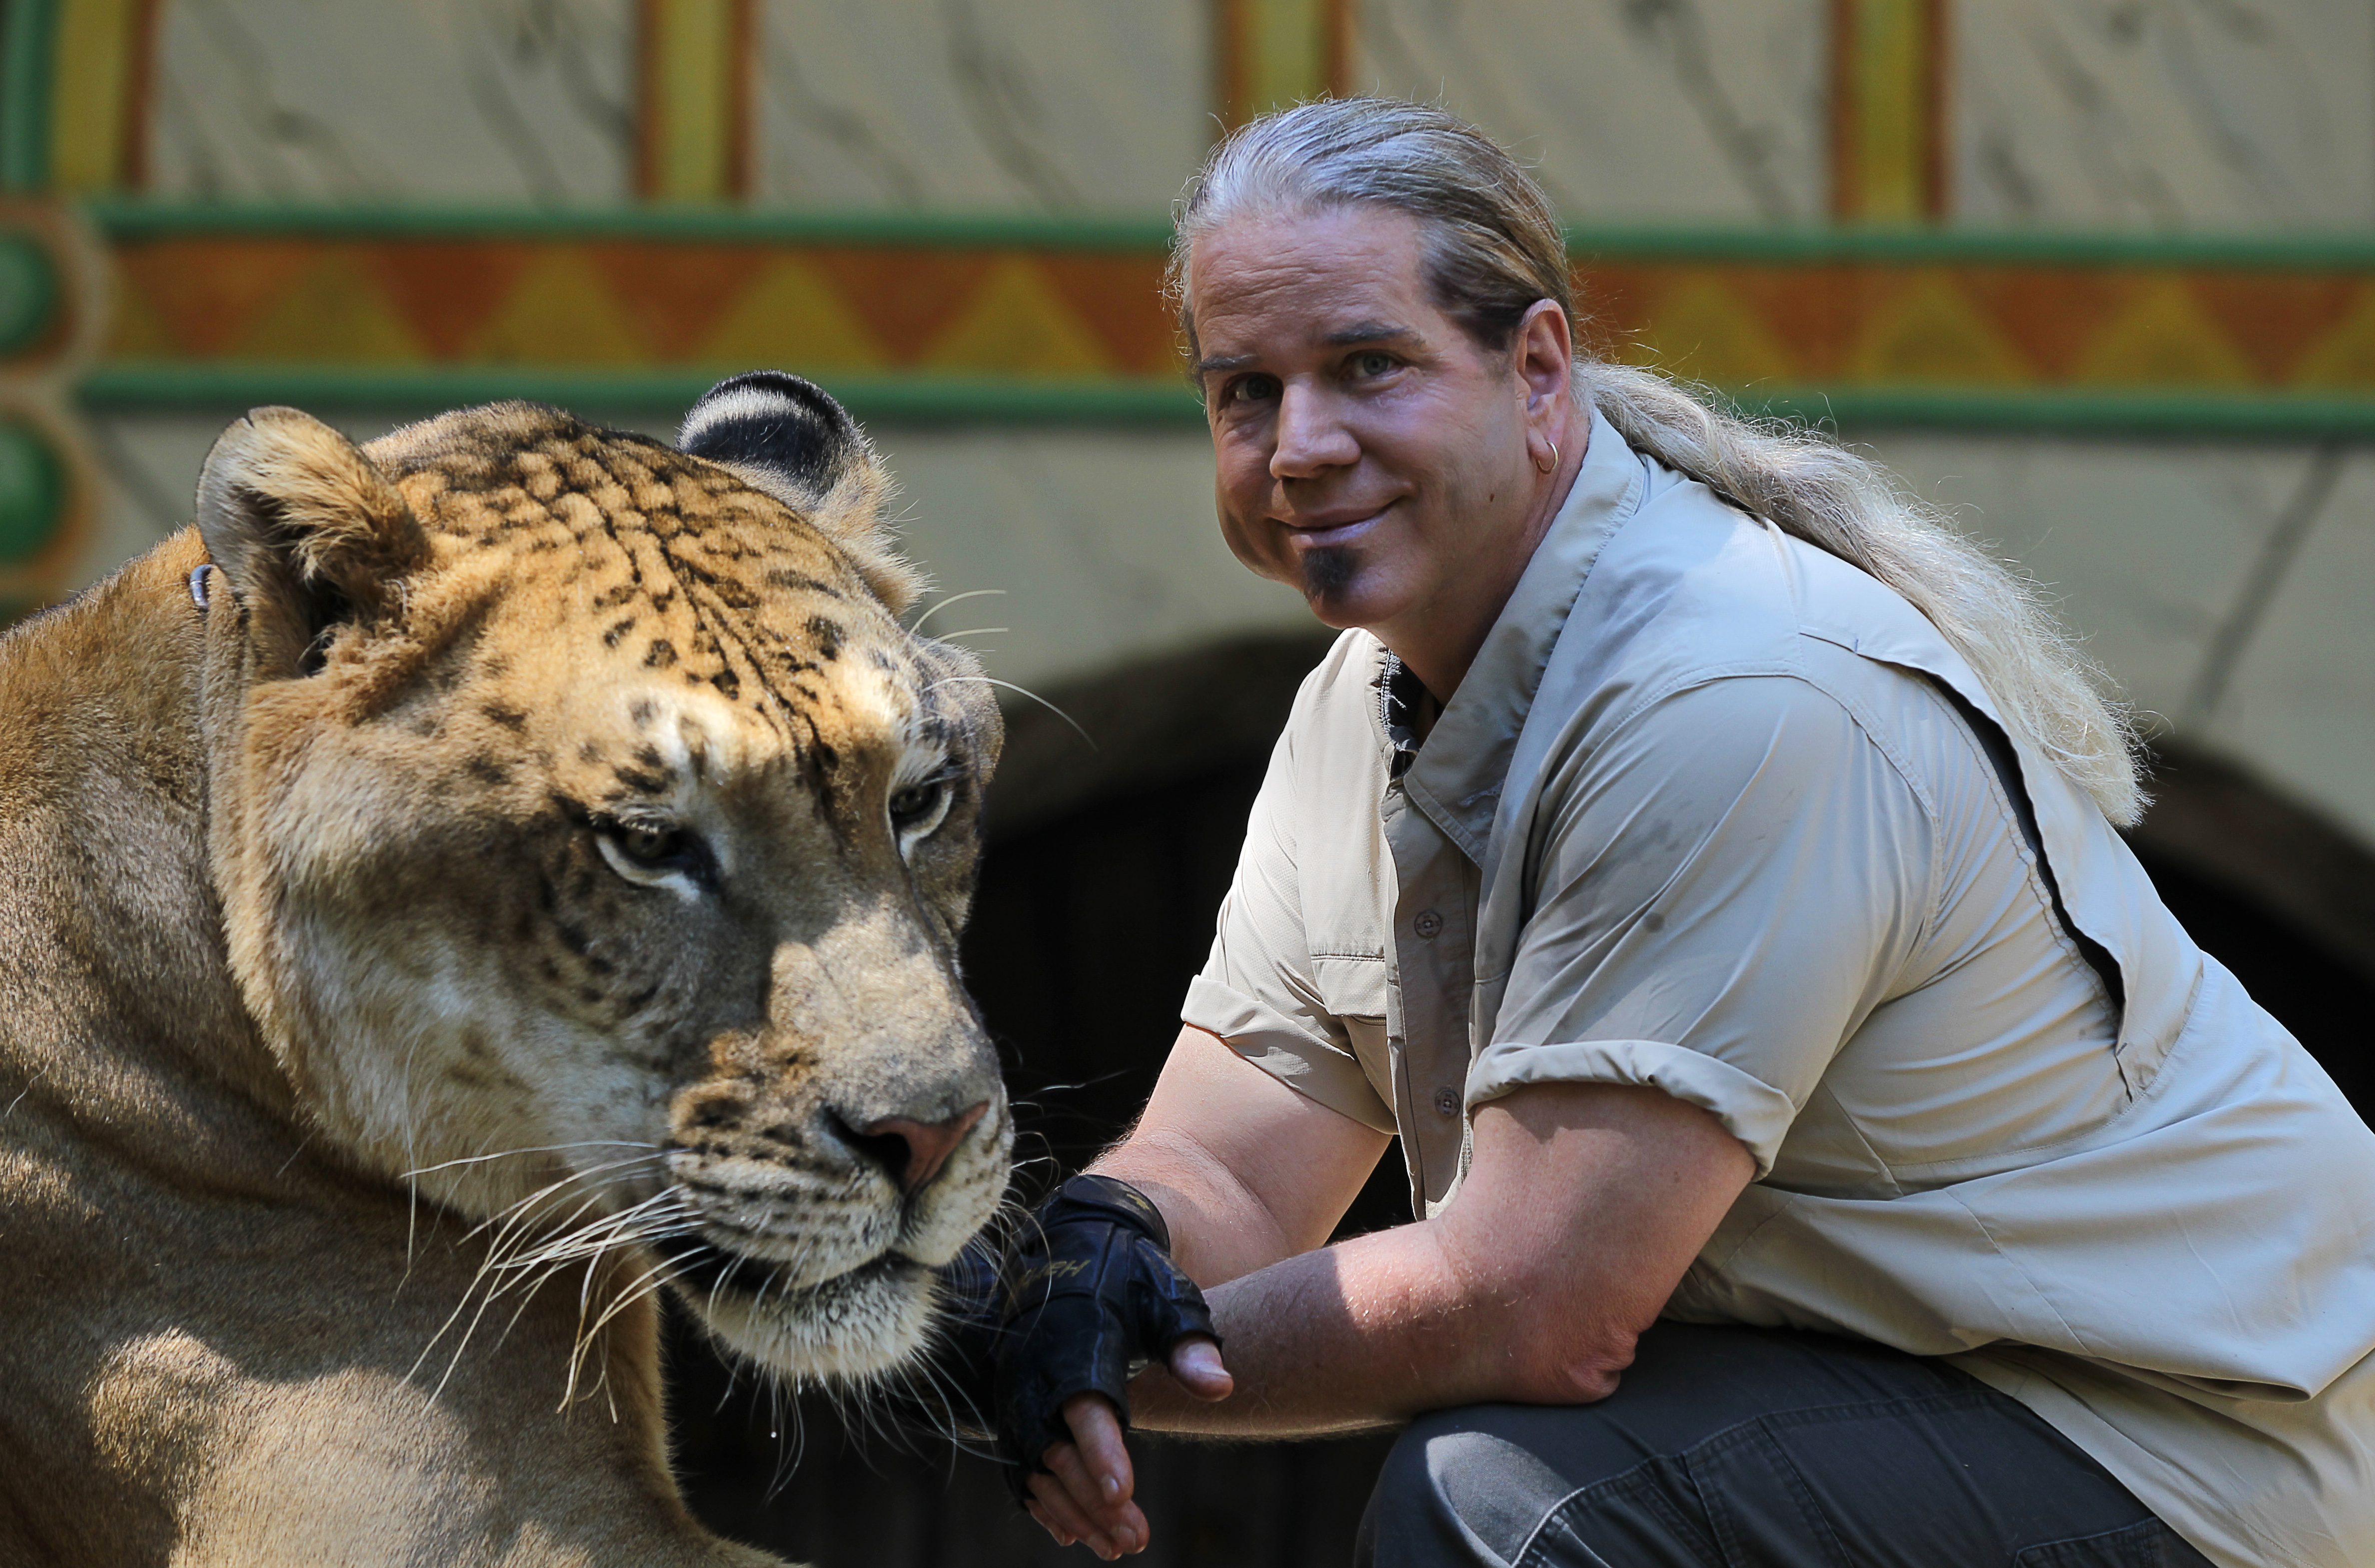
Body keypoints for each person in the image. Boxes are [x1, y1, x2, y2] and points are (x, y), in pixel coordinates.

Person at [944, 99, 2375, 1568]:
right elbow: (1241, 1165)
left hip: (2188, 1447)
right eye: (1244, 390)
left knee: (1505, 1506)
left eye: (1368, 364)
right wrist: (1108, 1250)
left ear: (1539, 368)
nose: (1299, 446)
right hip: (1891, 1382)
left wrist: (1080, 1364)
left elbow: (1534, 1305)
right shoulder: (1363, 694)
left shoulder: (1728, 691)